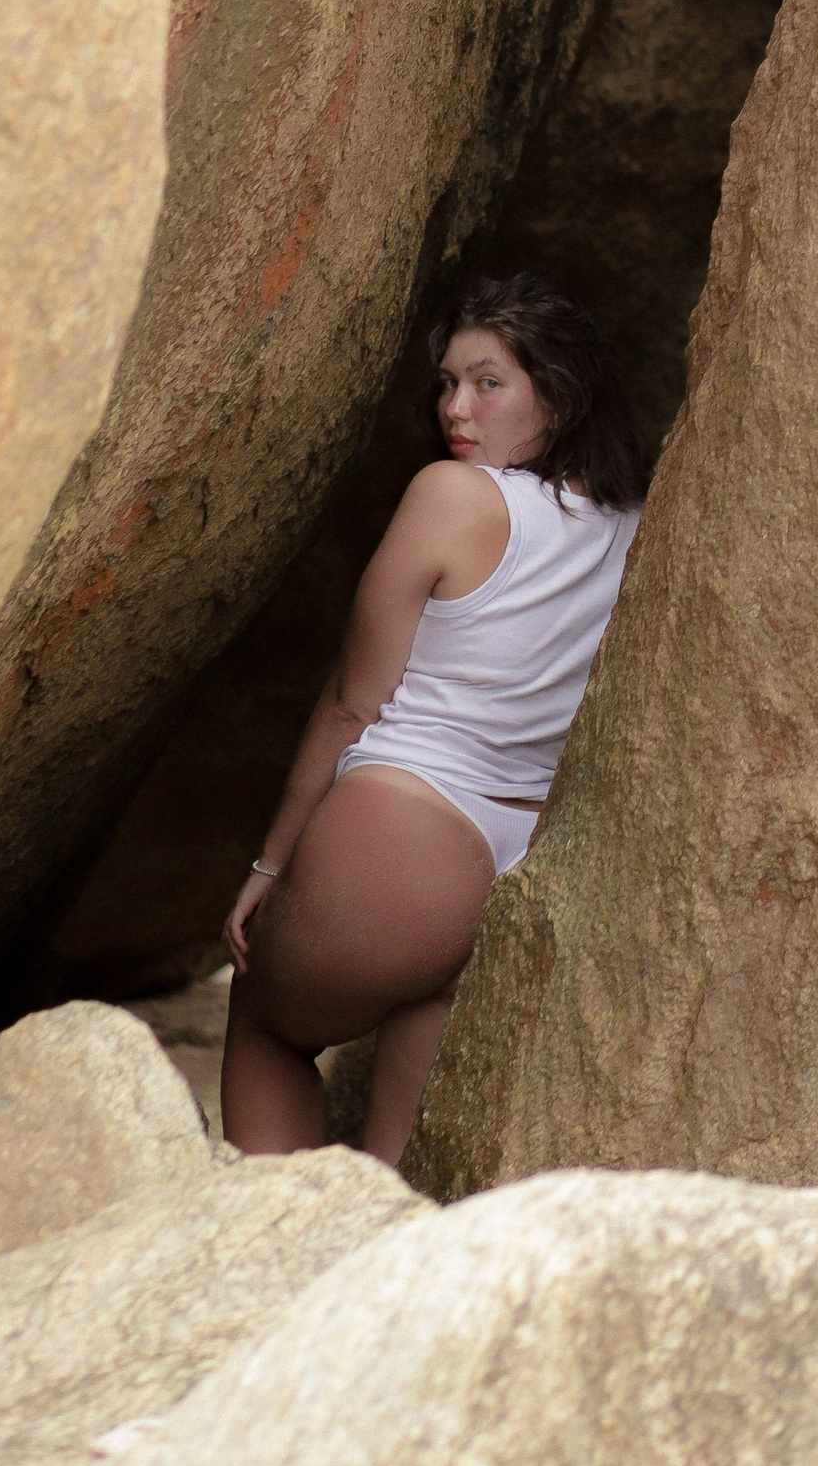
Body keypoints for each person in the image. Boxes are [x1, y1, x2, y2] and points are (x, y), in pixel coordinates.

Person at [219, 273, 647, 1163]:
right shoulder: (640, 524)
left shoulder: (452, 496)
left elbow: (352, 702)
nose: (457, 407)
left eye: (489, 382)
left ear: (559, 396)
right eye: (448, 382)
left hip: (410, 826)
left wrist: (272, 861)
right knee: (393, 1172)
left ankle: (264, 1268)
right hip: (520, 863)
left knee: (266, 1026)